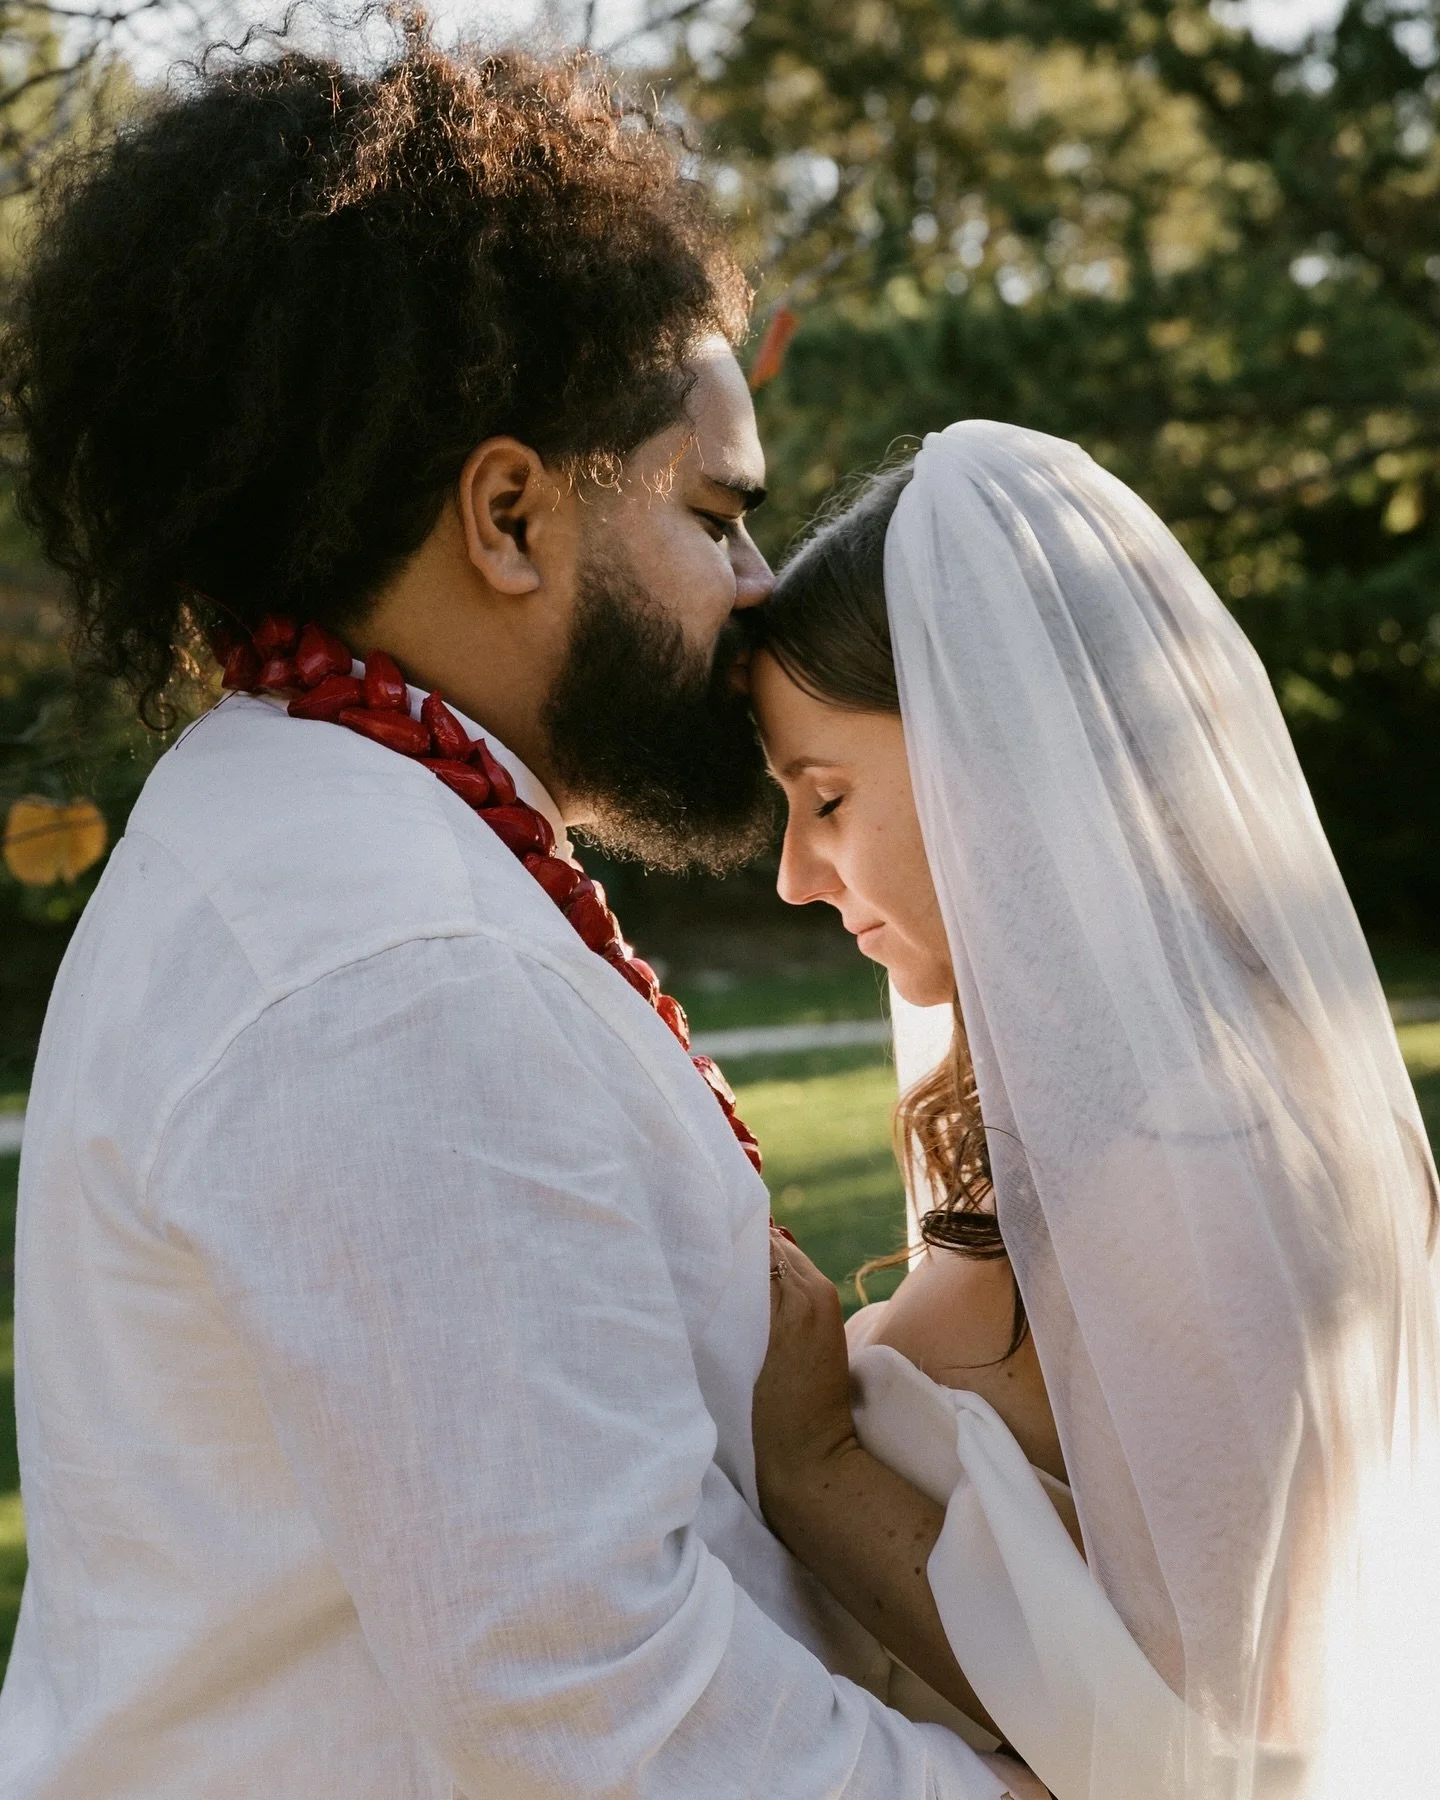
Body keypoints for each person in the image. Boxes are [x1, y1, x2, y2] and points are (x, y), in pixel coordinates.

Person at [0, 38, 1041, 1800]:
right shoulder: (398, 975)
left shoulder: (337, 834)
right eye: (716, 511)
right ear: (508, 514)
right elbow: (598, 1716)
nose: (761, 585)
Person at [747, 421, 1440, 1799]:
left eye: (824, 796)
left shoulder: (1205, 1159)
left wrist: (816, 1460)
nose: (793, 875)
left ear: (994, 761)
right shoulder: (1103, 1112)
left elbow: (1210, 1750)